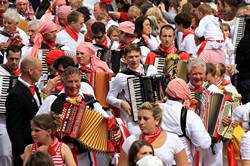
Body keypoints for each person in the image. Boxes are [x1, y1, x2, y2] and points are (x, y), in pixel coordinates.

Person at [36, 66, 110, 165]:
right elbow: (37, 123)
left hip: (84, 154)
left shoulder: (90, 102)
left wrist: (114, 129)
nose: (74, 85)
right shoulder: (52, 100)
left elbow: (106, 120)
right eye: (70, 82)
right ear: (63, 83)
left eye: (76, 81)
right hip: (58, 152)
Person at [107, 44, 158, 135]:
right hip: (134, 118)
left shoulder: (151, 69)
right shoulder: (121, 76)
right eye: (130, 57)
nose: (134, 60)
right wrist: (121, 103)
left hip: (153, 115)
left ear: (140, 56)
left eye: (136, 56)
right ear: (124, 58)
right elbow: (109, 98)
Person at [119, 102, 189, 166]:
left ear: (157, 120)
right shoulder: (130, 141)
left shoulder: (173, 139)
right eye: (139, 118)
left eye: (145, 119)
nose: (141, 122)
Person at [161, 78, 211, 164]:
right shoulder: (190, 117)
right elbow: (204, 144)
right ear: (185, 95)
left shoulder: (156, 108)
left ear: (167, 93)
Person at [6, 56, 42, 166]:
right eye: (39, 70)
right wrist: (21, 151)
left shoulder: (34, 88)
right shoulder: (16, 93)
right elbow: (13, 125)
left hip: (35, 145)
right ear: (30, 71)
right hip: (25, 148)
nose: (41, 73)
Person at [0, 45, 22, 166]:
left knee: (10, 153)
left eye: (17, 59)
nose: (14, 62)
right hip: (1, 119)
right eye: (11, 58)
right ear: (6, 57)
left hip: (15, 120)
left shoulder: (22, 73)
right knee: (5, 154)